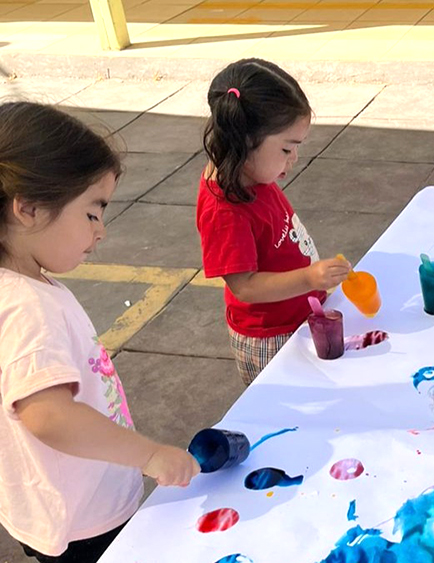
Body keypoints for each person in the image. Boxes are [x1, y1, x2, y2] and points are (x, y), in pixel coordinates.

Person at [0, 101, 200, 563]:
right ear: (28, 208)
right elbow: (46, 414)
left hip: (59, 500)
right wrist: (149, 455)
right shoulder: (26, 306)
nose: (102, 230)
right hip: (83, 521)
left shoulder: (26, 284)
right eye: (92, 213)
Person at [197, 58, 351, 385]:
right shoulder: (224, 207)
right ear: (245, 142)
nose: (293, 158)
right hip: (270, 338)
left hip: (297, 316)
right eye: (286, 148)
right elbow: (245, 286)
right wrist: (310, 277)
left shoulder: (252, 174)